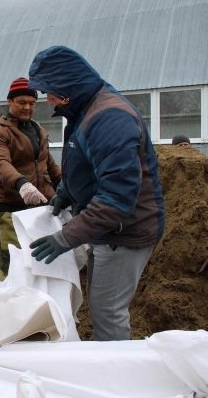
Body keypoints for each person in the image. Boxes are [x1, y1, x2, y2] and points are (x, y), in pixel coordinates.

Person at [27, 45, 165, 341]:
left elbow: (117, 197)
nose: (47, 100)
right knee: (101, 303)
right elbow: (86, 166)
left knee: (108, 310)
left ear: (67, 87)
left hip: (124, 233)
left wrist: (65, 237)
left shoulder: (109, 119)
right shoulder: (84, 111)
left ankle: (114, 372)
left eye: (49, 91)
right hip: (107, 230)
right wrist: (65, 192)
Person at [0, 77, 62, 277]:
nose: (27, 107)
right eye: (21, 103)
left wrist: (65, 187)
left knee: (38, 264)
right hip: (12, 210)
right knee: (13, 265)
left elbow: (48, 164)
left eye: (32, 103)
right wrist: (22, 184)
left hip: (40, 208)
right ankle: (9, 305)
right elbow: (1, 164)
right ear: (10, 102)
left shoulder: (38, 130)